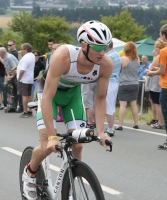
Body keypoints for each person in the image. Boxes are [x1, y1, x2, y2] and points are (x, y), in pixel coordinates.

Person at [22, 21, 113, 200]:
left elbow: (101, 98)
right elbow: (48, 97)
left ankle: (69, 192)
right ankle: (30, 173)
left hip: (72, 96)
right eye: (97, 47)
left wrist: (101, 132)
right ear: (84, 45)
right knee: (47, 147)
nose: (102, 52)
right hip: (50, 95)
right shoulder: (63, 55)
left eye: (105, 47)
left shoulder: (105, 64)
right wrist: (52, 136)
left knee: (78, 144)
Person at [115, 41, 140, 131]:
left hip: (124, 83)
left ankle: (120, 125)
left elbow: (118, 69)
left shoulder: (123, 59)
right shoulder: (137, 59)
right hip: (135, 84)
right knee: (134, 104)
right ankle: (136, 123)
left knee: (123, 105)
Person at [145, 38, 166, 130]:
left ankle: (160, 122)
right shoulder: (162, 56)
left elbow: (152, 66)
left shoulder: (160, 56)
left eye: (157, 48)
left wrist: (150, 71)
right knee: (156, 102)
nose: (155, 50)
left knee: (157, 103)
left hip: (156, 83)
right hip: (158, 83)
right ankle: (159, 121)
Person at [104, 41, 121, 137]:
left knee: (109, 107)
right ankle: (111, 127)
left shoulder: (108, 56)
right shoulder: (116, 54)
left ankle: (110, 129)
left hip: (109, 82)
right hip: (115, 81)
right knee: (111, 106)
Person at [16, 43, 35, 118]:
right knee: (28, 95)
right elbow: (21, 61)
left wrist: (19, 78)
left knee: (24, 95)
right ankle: (30, 109)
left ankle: (25, 111)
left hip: (24, 79)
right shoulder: (31, 55)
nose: (21, 50)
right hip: (29, 78)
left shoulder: (26, 58)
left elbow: (22, 70)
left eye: (22, 49)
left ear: (25, 50)